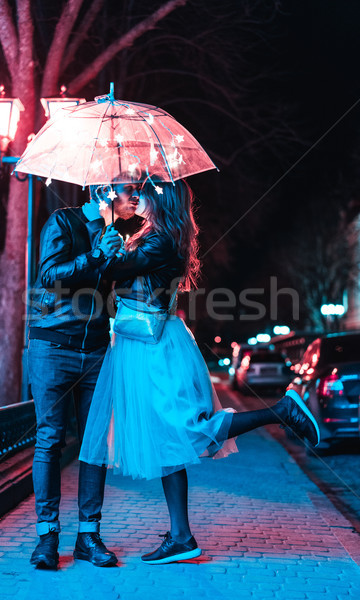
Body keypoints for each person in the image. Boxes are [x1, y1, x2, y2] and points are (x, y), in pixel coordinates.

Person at [79, 178, 320, 565]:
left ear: (164, 201)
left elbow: (114, 268)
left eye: (147, 193)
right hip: (147, 345)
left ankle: (284, 412)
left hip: (153, 350)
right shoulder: (156, 235)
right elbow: (123, 272)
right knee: (167, 439)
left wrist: (102, 220)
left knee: (189, 428)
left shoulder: (158, 241)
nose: (137, 196)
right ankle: (181, 537)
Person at [28, 179, 142, 569]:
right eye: (129, 190)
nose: (136, 197)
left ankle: (88, 536)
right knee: (50, 440)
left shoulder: (116, 235)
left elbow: (113, 291)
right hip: (53, 346)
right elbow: (50, 276)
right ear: (103, 192)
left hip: (95, 349)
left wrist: (127, 260)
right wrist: (96, 256)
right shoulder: (62, 222)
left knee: (94, 444)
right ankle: (47, 537)